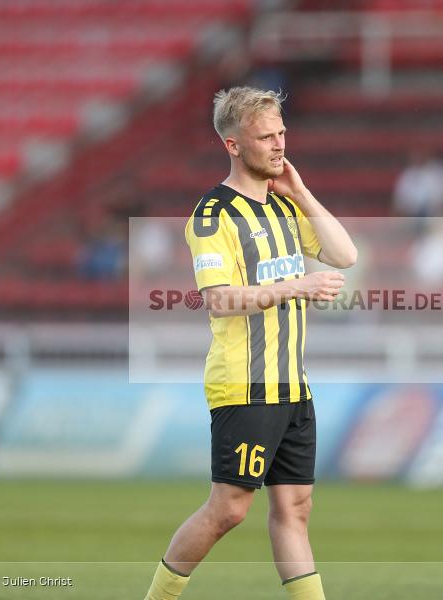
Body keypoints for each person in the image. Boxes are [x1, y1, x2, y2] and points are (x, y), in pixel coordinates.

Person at [144, 87, 357, 600]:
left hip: (292, 387)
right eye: (266, 137)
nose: (279, 144)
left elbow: (344, 254)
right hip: (244, 383)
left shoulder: (284, 208)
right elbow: (218, 300)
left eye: (282, 132)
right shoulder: (215, 215)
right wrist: (297, 287)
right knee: (229, 509)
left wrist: (301, 193)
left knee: (295, 509)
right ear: (234, 146)